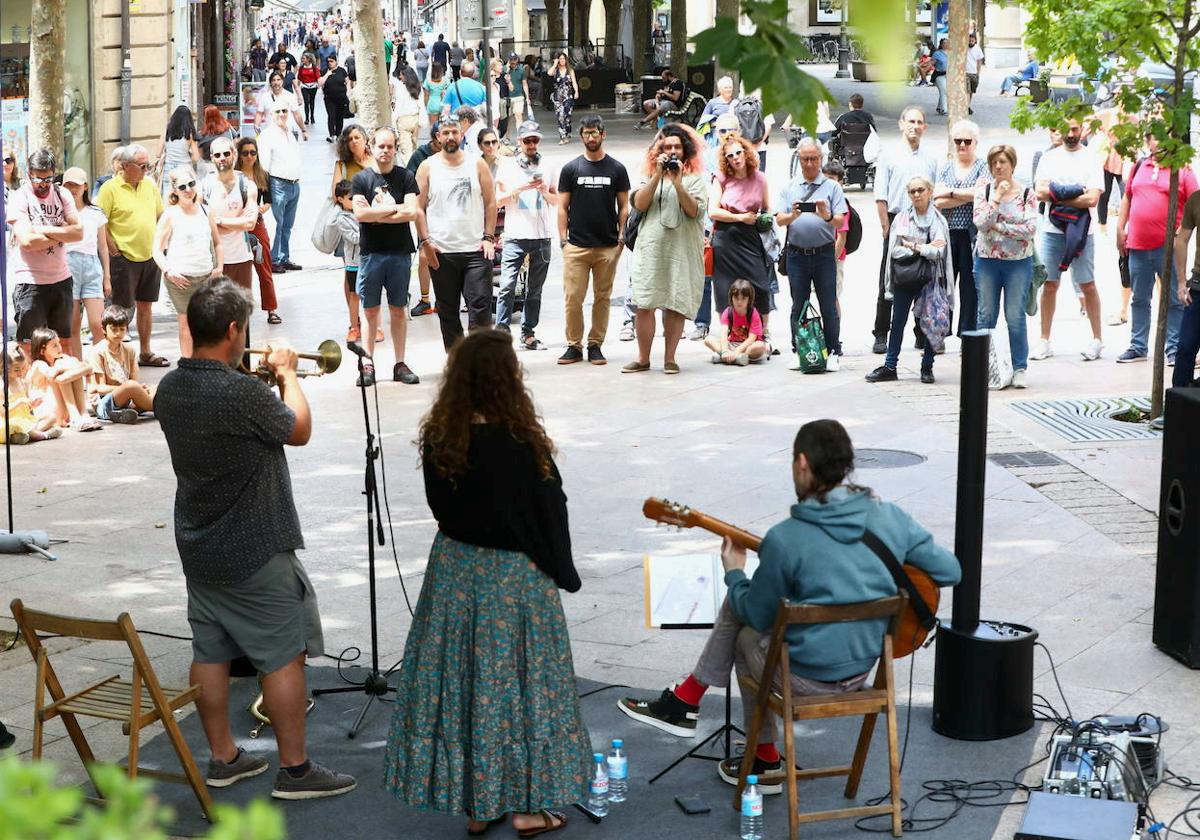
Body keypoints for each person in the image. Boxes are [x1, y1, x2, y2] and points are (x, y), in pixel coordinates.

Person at [619, 419, 961, 792]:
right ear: (848, 465)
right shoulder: (892, 517)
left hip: (802, 679)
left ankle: (756, 751)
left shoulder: (786, 539)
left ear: (801, 463)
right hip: (863, 673)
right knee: (754, 617)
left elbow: (757, 613)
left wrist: (734, 573)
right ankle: (694, 706)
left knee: (744, 629)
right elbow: (950, 571)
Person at [154, 279, 357, 802]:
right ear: (231, 330)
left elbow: (240, 426)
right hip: (255, 545)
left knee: (211, 650)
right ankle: (295, 769)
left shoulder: (170, 388)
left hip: (199, 544)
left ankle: (222, 758)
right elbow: (300, 428)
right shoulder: (239, 391)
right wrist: (288, 374)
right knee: (283, 655)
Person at [383, 330, 589, 836]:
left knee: (465, 686)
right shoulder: (519, 442)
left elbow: (440, 507)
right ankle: (528, 806)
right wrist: (562, 571)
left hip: (454, 571)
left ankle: (478, 804)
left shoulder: (441, 437)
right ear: (507, 379)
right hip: (512, 579)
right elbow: (548, 515)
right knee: (523, 689)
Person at [624, 124, 708, 375]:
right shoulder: (648, 175)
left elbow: (694, 210)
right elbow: (638, 204)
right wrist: (657, 176)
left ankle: (670, 358)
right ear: (659, 151)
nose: (672, 151)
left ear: (685, 151)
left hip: (681, 250)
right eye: (667, 147)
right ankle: (642, 358)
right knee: (644, 303)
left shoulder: (695, 180)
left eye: (677, 147)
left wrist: (678, 182)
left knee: (675, 302)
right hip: (651, 249)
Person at [414, 117, 498, 350]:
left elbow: (491, 202)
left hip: (475, 251)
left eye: (455, 132)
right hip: (442, 252)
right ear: (438, 137)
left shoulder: (476, 164)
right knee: (448, 312)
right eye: (445, 133)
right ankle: (456, 362)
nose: (450, 137)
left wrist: (488, 238)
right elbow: (418, 208)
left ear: (461, 135)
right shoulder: (427, 166)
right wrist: (425, 242)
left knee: (480, 309)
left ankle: (480, 364)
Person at [1114, 132, 1197, 365]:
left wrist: (1181, 234)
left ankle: (1173, 349)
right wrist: (1120, 227)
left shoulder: (1182, 169)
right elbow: (1127, 197)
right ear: (1147, 141)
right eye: (1152, 137)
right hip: (1138, 245)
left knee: (1173, 298)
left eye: (1163, 137)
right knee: (1139, 298)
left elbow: (1195, 205)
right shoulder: (1140, 165)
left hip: (1168, 248)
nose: (1157, 142)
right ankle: (1138, 345)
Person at [556, 115, 630, 365]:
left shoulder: (617, 169)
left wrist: (621, 237)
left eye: (594, 133)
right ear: (581, 136)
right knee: (573, 297)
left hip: (607, 246)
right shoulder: (571, 169)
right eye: (586, 133)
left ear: (603, 134)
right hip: (576, 245)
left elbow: (624, 207)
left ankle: (595, 344)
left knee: (602, 297)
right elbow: (562, 207)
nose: (590, 137)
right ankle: (573, 345)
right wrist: (563, 240)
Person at [351, 127, 422, 386]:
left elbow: (412, 212)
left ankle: (399, 363)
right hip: (371, 253)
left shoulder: (406, 177)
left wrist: (378, 211)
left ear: (395, 148)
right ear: (371, 146)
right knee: (369, 311)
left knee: (398, 310)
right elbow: (361, 215)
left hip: (400, 252)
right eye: (381, 146)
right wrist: (394, 208)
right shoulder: (361, 179)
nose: (385, 151)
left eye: (390, 146)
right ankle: (367, 363)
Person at [866, 176, 953, 384]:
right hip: (906, 277)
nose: (916, 195)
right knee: (897, 322)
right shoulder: (902, 218)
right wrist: (926, 247)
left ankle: (927, 367)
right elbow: (895, 250)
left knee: (931, 321)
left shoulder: (938, 220)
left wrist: (915, 246)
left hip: (930, 279)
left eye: (920, 190)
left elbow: (939, 251)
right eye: (912, 191)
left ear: (930, 191)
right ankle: (890, 365)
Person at [1032, 119, 1104, 362]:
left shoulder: (1091, 157)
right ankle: (1044, 340)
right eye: (1067, 129)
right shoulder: (1048, 158)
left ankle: (1097, 339)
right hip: (1052, 231)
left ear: (1082, 130)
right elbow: (1040, 193)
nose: (1071, 134)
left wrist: (1058, 195)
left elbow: (1092, 199)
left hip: (1084, 231)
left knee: (1088, 284)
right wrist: (1076, 192)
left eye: (1075, 129)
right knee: (1050, 284)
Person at [871, 106, 939, 354]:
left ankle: (921, 331)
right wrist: (885, 227)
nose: (914, 126)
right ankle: (881, 333)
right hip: (896, 220)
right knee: (889, 277)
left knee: (923, 276)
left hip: (923, 220)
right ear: (901, 124)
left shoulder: (930, 159)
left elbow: (935, 196)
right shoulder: (888, 156)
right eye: (910, 121)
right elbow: (881, 195)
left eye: (919, 122)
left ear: (925, 127)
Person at [776, 137, 847, 372]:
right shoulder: (789, 186)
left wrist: (825, 215)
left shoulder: (832, 187)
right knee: (799, 304)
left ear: (821, 159)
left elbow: (840, 220)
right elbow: (779, 218)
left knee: (828, 304)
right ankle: (799, 350)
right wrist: (793, 215)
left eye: (813, 159)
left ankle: (833, 350)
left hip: (824, 254)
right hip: (797, 254)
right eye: (805, 159)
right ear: (799, 159)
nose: (809, 164)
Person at [973, 144, 1038, 390]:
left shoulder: (1026, 193)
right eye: (994, 163)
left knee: (1014, 315)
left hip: (1018, 262)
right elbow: (980, 222)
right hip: (987, 260)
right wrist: (996, 200)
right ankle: (984, 366)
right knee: (986, 314)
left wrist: (999, 227)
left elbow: (1030, 229)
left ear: (1012, 164)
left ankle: (1019, 366)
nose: (999, 167)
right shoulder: (985, 190)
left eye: (1003, 162)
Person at [97, 145, 168, 367]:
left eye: (148, 165)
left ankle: (145, 353)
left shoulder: (150, 185)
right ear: (126, 166)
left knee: (146, 307)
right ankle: (114, 358)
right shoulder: (109, 188)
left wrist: (161, 245)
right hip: (124, 257)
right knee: (119, 310)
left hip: (150, 255)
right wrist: (112, 247)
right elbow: (100, 222)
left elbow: (161, 215)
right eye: (142, 166)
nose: (146, 170)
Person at [7, 149, 83, 353]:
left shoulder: (62, 193)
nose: (43, 184)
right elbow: (27, 241)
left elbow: (78, 233)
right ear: (28, 173)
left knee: (63, 343)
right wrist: (61, 231)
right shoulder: (19, 197)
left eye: (48, 178)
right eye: (38, 179)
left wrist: (41, 229)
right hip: (30, 282)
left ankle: (62, 384)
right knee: (29, 346)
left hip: (61, 280)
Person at [495, 121, 556, 349]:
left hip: (542, 236)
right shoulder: (508, 166)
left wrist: (543, 192)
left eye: (535, 140)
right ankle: (501, 332)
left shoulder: (548, 166)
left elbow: (558, 199)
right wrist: (520, 188)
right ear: (519, 142)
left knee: (535, 288)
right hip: (515, 236)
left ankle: (528, 332)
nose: (531, 144)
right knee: (507, 285)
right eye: (527, 140)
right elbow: (497, 200)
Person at [154, 166, 224, 357]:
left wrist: (219, 267)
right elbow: (156, 250)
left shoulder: (206, 211)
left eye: (191, 184)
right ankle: (188, 366)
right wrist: (169, 271)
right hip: (181, 280)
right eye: (183, 186)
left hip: (207, 277)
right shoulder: (170, 214)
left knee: (207, 324)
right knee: (186, 325)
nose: (188, 189)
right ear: (175, 191)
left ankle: (207, 364)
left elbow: (217, 243)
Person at [709, 132, 773, 333]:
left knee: (761, 285)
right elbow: (713, 211)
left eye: (738, 153)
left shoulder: (760, 178)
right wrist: (739, 217)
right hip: (726, 238)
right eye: (730, 155)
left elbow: (767, 207)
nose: (735, 158)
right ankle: (726, 333)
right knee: (724, 287)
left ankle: (762, 332)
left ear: (746, 153)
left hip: (751, 237)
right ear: (725, 159)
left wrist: (764, 219)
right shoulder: (721, 179)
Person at [934, 119, 988, 336]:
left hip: (971, 233)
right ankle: (939, 333)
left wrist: (952, 192)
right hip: (947, 233)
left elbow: (982, 195)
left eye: (967, 141)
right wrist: (968, 195)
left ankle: (967, 333)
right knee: (944, 284)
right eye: (958, 141)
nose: (962, 145)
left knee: (969, 286)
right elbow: (937, 201)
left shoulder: (982, 166)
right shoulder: (946, 167)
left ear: (976, 142)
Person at [201, 137, 265, 316]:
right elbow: (202, 224)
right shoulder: (204, 187)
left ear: (234, 155)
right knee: (215, 314)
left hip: (241, 258)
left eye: (226, 154)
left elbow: (250, 223)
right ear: (212, 157)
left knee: (241, 312)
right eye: (218, 155)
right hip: (212, 262)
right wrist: (236, 224)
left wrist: (218, 221)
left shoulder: (247, 186)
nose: (222, 158)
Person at [61, 166, 109, 360]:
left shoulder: (95, 212)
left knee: (98, 323)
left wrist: (107, 276)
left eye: (77, 185)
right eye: (69, 185)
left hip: (92, 265)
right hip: (67, 264)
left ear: (85, 187)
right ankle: (79, 369)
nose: (73, 189)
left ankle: (101, 367)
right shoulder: (59, 212)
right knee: (72, 325)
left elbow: (103, 247)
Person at [235, 136, 279, 322]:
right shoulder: (234, 176)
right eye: (245, 153)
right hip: (236, 225)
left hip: (256, 223)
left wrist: (262, 208)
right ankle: (237, 310)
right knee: (237, 270)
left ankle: (271, 309)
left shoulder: (263, 174)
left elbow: (268, 200)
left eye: (253, 152)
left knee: (264, 266)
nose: (249, 156)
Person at [86, 305, 155, 423]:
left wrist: (139, 388)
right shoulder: (98, 352)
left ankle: (123, 413)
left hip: (127, 398)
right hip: (103, 403)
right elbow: (100, 388)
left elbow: (134, 380)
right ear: (103, 329)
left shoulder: (129, 350)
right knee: (131, 387)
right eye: (113, 329)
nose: (118, 333)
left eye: (122, 329)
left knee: (157, 388)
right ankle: (161, 408)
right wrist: (129, 388)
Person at [258, 103, 303, 273]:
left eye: (285, 110)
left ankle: (284, 257)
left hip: (293, 184)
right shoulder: (267, 135)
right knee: (277, 224)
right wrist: (265, 193)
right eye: (278, 111)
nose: (282, 114)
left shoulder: (289, 132)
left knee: (287, 225)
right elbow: (264, 166)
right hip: (277, 184)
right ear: (271, 114)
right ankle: (274, 259)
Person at [29, 327, 102, 431]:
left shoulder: (62, 360)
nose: (59, 348)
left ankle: (83, 414)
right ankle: (75, 417)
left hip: (63, 412)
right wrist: (75, 368)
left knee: (68, 366)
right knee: (64, 371)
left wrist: (76, 368)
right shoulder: (38, 364)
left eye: (59, 343)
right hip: (51, 414)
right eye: (54, 345)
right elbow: (52, 375)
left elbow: (86, 366)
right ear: (42, 350)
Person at [3, 344, 64, 443]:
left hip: (25, 419)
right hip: (9, 421)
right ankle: (43, 435)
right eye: (16, 370)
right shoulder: (2, 386)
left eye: (22, 369)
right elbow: (2, 412)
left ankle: (21, 437)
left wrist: (33, 404)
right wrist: (20, 401)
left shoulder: (22, 383)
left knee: (52, 417)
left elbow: (28, 409)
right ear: (5, 368)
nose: (20, 373)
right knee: (18, 426)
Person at [1172, 190, 1200, 390]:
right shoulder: (1196, 199)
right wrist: (1181, 282)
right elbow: (1181, 240)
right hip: (1198, 285)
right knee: (1185, 347)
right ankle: (1177, 404)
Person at [705, 278, 766, 365]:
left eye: (743, 298)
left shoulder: (753, 313)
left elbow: (751, 339)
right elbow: (723, 333)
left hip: (748, 346)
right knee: (708, 339)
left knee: (759, 346)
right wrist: (725, 350)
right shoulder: (728, 312)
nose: (739, 302)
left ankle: (736, 356)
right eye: (736, 298)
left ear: (749, 299)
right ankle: (730, 357)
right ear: (731, 298)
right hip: (732, 344)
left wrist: (737, 351)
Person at [391, 65, 424, 162]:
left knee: (406, 150)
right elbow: (421, 105)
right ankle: (414, 169)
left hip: (403, 121)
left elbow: (398, 107)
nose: (400, 77)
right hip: (416, 120)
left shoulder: (401, 89)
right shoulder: (418, 88)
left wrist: (393, 120)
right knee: (413, 147)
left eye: (401, 75)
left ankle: (410, 172)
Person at [330, 125, 373, 199]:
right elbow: (336, 195)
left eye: (357, 138)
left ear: (365, 140)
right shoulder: (341, 165)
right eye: (350, 139)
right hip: (351, 207)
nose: (354, 141)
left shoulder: (378, 161)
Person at [319, 55, 353, 142]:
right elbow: (320, 83)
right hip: (329, 98)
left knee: (339, 117)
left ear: (336, 61)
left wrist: (349, 91)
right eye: (328, 61)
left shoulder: (342, 71)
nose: (330, 63)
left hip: (341, 97)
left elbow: (347, 81)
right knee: (331, 116)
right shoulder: (324, 71)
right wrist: (327, 74)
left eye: (331, 61)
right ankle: (331, 135)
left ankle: (338, 134)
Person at [548, 53, 580, 144]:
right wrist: (554, 64)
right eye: (560, 59)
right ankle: (562, 137)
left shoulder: (570, 71)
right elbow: (549, 73)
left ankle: (568, 133)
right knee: (560, 116)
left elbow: (574, 82)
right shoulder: (555, 70)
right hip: (558, 96)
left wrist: (576, 92)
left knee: (567, 117)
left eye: (563, 59)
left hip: (568, 96)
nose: (562, 60)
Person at [699, 76, 737, 142]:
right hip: (716, 136)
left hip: (733, 136)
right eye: (726, 88)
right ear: (720, 90)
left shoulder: (737, 103)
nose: (728, 90)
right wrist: (718, 124)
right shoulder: (712, 102)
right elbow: (703, 121)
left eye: (730, 87)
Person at [504, 53, 531, 138]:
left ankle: (520, 137)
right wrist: (507, 69)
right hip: (507, 97)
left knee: (518, 116)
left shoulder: (521, 70)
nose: (513, 61)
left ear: (517, 60)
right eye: (511, 60)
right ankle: (507, 138)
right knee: (507, 119)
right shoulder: (505, 69)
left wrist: (527, 97)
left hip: (519, 96)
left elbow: (524, 83)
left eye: (514, 59)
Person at [296, 53, 321, 126]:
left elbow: (318, 77)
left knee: (312, 102)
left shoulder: (314, 68)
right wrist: (297, 87)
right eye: (302, 58)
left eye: (303, 58)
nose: (302, 60)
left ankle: (312, 116)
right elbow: (299, 78)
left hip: (313, 86)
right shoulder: (301, 68)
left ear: (308, 59)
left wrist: (318, 84)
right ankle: (307, 118)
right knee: (306, 102)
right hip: (304, 86)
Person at [964, 34, 984, 112]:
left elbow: (979, 62)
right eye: (969, 40)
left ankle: (968, 105)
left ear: (975, 41)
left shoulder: (978, 49)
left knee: (971, 91)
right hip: (965, 73)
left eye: (972, 41)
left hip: (974, 73)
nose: (970, 42)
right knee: (967, 91)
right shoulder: (964, 48)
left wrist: (978, 73)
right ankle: (967, 107)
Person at [930, 38, 949, 116]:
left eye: (947, 43)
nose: (946, 44)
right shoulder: (937, 53)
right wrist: (924, 68)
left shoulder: (951, 53)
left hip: (948, 75)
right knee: (944, 91)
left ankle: (939, 107)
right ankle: (944, 109)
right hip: (939, 75)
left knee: (943, 91)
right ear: (941, 44)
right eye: (944, 43)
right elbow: (932, 63)